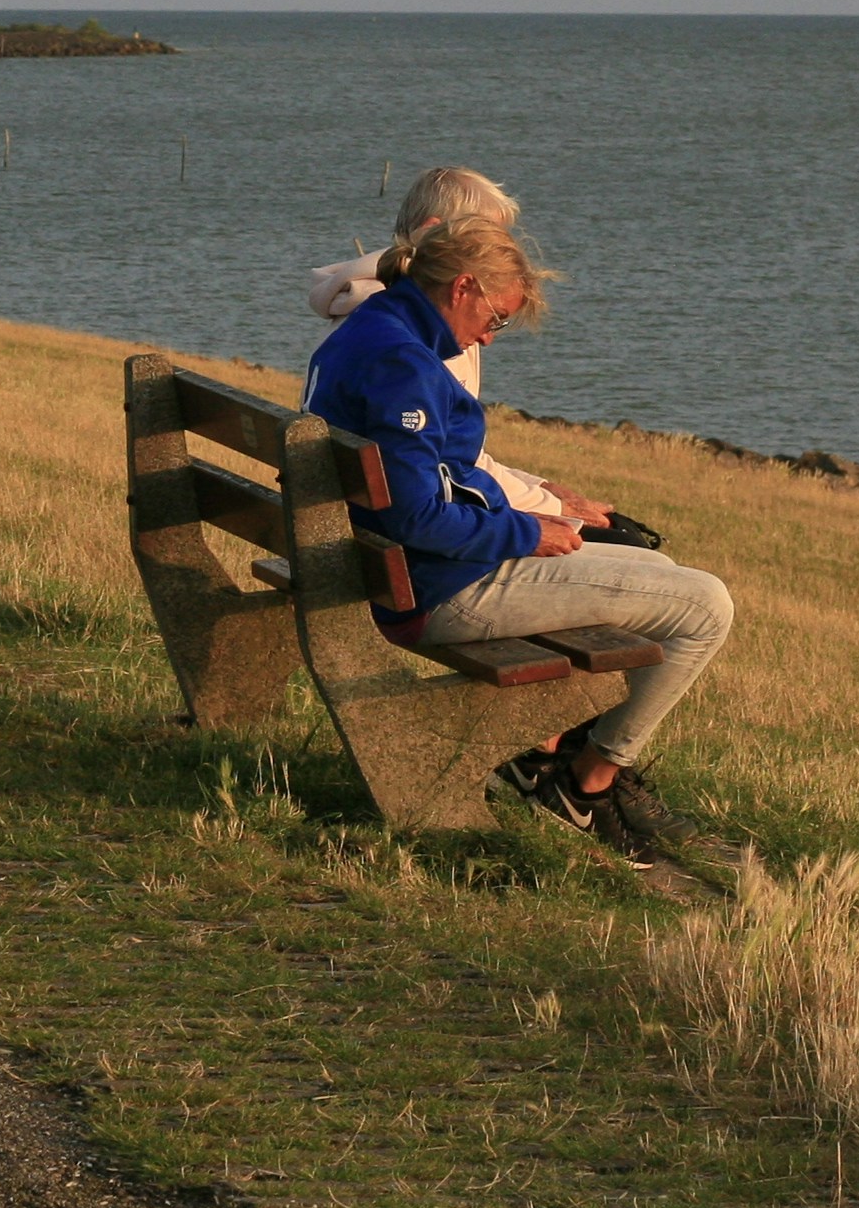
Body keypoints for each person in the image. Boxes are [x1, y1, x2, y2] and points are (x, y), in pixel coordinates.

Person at [302, 210, 735, 851]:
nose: (490, 336)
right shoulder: (402, 365)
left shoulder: (373, 330)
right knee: (706, 606)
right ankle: (587, 786)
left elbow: (426, 490)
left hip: (397, 571)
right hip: (434, 589)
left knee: (660, 573)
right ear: (463, 287)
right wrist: (526, 534)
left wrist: (528, 517)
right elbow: (416, 517)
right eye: (496, 318)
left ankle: (546, 756)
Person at [311, 168, 623, 538]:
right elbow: (427, 500)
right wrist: (540, 521)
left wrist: (544, 492)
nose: (505, 256)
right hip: (423, 549)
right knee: (630, 549)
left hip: (381, 532)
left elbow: (450, 461)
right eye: (486, 240)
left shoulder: (377, 317)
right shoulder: (408, 353)